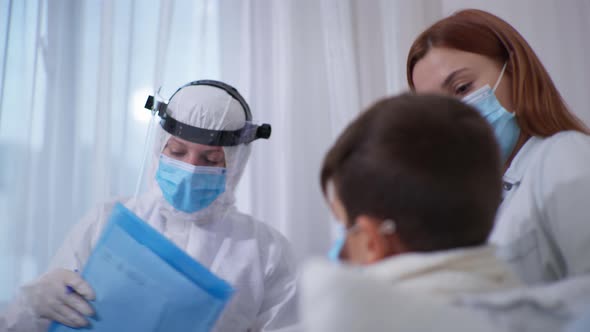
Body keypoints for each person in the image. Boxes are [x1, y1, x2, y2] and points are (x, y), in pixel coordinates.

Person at [1, 80, 298, 331]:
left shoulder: (265, 251)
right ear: (159, 148)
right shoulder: (109, 220)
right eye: (178, 151)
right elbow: (33, 319)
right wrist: (33, 303)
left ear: (234, 165)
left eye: (210, 159)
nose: (191, 168)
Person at [299, 93, 520, 331]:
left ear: (372, 242)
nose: (340, 248)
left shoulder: (356, 320)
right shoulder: (532, 309)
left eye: (345, 228)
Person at [406, 9, 590, 285]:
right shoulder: (481, 204)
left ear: (515, 72)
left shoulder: (564, 156)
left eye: (461, 88)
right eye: (436, 108)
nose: (453, 115)